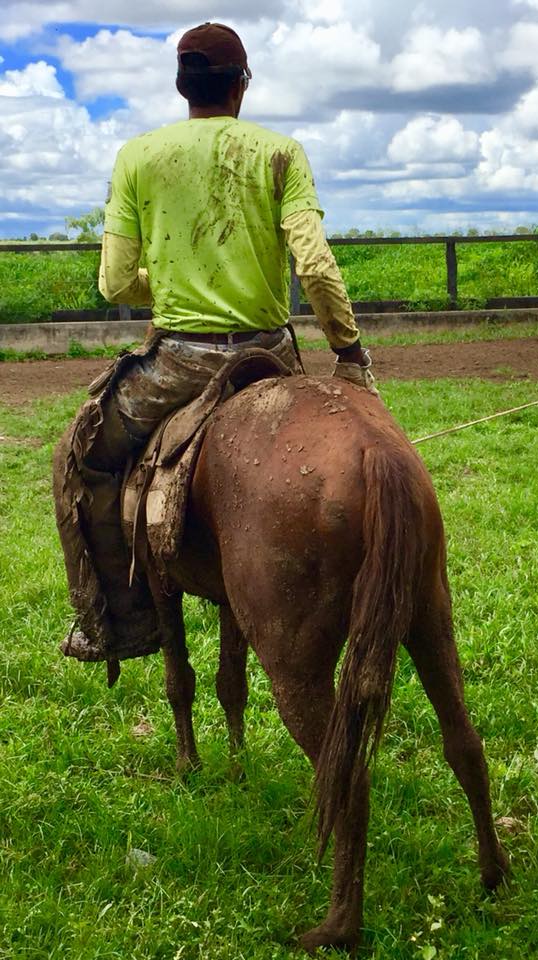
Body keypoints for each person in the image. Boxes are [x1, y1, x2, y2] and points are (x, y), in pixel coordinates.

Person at [53, 21, 377, 666]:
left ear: (182, 88)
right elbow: (313, 265)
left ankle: (119, 621)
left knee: (81, 460)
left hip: (177, 362)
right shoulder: (281, 152)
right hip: (270, 358)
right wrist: (347, 350)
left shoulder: (139, 156)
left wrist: (170, 282)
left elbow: (115, 279)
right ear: (240, 86)